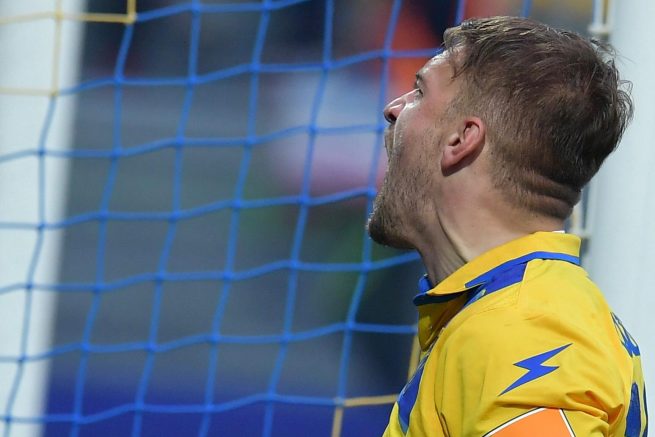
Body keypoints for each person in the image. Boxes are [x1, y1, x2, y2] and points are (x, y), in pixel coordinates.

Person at [368, 16, 647, 436]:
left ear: (462, 139)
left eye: (420, 92)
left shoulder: (524, 328)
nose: (393, 108)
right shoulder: (519, 311)